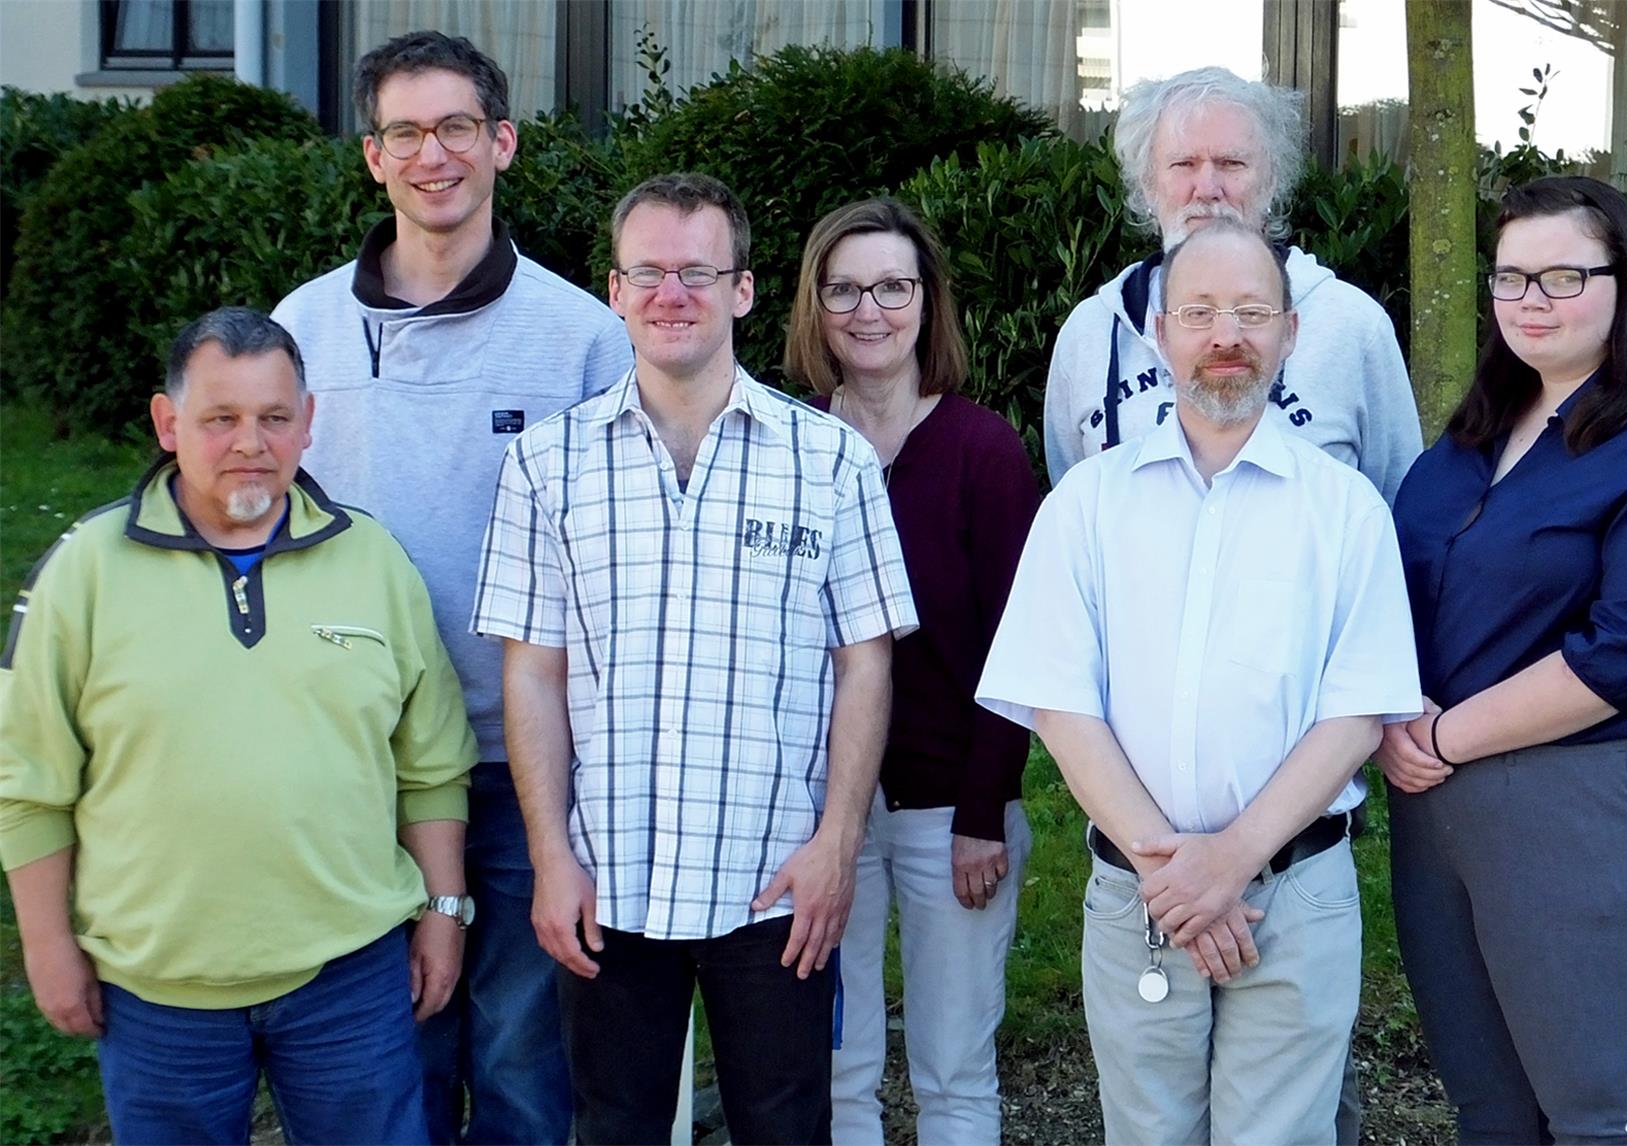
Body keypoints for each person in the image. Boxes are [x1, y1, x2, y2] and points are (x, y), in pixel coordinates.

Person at [472, 173, 918, 1145]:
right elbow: (532, 673)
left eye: (697, 273)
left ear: (744, 290)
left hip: (775, 881)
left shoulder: (830, 462)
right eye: (650, 274)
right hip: (608, 876)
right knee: (615, 1125)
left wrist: (838, 843)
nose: (673, 294)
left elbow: (866, 666)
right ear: (614, 291)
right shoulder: (547, 465)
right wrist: (550, 858)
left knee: (784, 1126)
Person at [979, 221, 1422, 1144]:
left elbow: (1358, 711)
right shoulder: (1086, 505)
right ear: (1159, 332)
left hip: (1295, 897)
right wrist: (1172, 869)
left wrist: (1229, 860)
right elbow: (1061, 703)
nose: (1228, 335)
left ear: (1291, 334)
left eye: (1253, 312)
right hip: (1137, 894)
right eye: (1202, 312)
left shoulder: (1347, 511)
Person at [271, 30, 632, 1144]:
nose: (435, 155)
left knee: (524, 1062)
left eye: (458, 128)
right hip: (359, 765)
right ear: (373, 157)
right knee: (391, 1053)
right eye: (406, 133)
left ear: (503, 142)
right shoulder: (302, 328)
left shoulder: (582, 337)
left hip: (529, 764)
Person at [0, 307, 477, 1144]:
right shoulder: (84, 572)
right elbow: (28, 782)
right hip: (157, 993)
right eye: (220, 419)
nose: (250, 442)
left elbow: (431, 764)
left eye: (274, 417)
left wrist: (442, 908)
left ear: (309, 424)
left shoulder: (373, 560)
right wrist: (48, 946)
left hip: (352, 977)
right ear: (168, 421)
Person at [1379, 175, 1627, 1145]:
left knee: (1596, 1117)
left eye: (1562, 275)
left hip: (1599, 803)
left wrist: (1436, 732)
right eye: (1511, 277)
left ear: (1626, 282)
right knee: (1490, 1111)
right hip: (1439, 808)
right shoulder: (1478, 429)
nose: (1531, 299)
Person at [782, 198, 1040, 1145]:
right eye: (843, 288)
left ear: (927, 303)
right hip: (821, 814)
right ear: (815, 305)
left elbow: (1022, 646)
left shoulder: (984, 451)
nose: (869, 310)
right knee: (835, 1062)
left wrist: (983, 815)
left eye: (893, 286)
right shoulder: (791, 448)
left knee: (953, 1066)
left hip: (951, 814)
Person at [1042, 65, 1420, 505]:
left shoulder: (1353, 327)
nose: (1208, 187)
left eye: (1231, 163)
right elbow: (1070, 497)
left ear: (1272, 180)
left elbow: (1398, 509)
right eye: (1183, 164)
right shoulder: (1089, 333)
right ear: (1147, 185)